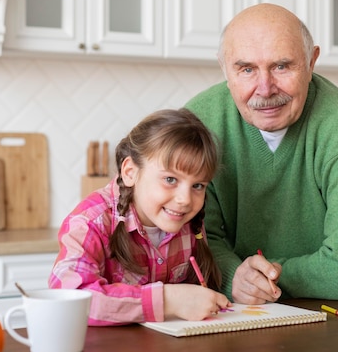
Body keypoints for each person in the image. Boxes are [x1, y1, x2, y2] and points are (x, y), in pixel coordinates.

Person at [185, 3, 338, 305]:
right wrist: (234, 276)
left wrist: (263, 276)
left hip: (320, 314)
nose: (265, 88)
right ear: (224, 67)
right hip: (228, 310)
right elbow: (192, 244)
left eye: (282, 66)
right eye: (246, 69)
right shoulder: (197, 121)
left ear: (312, 61)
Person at [48, 109, 230, 326]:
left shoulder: (188, 221)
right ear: (130, 172)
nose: (185, 199)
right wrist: (167, 300)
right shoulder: (90, 221)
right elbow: (69, 300)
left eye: (198, 185)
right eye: (170, 179)